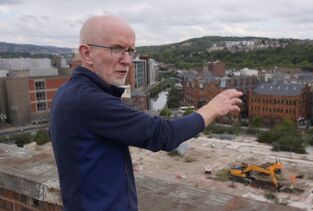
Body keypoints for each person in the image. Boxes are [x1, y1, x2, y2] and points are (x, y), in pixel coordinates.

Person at [50, 15, 243, 211]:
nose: (127, 61)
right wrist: (213, 108)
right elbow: (161, 134)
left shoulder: (71, 91)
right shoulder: (87, 100)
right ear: (87, 53)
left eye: (130, 51)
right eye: (116, 48)